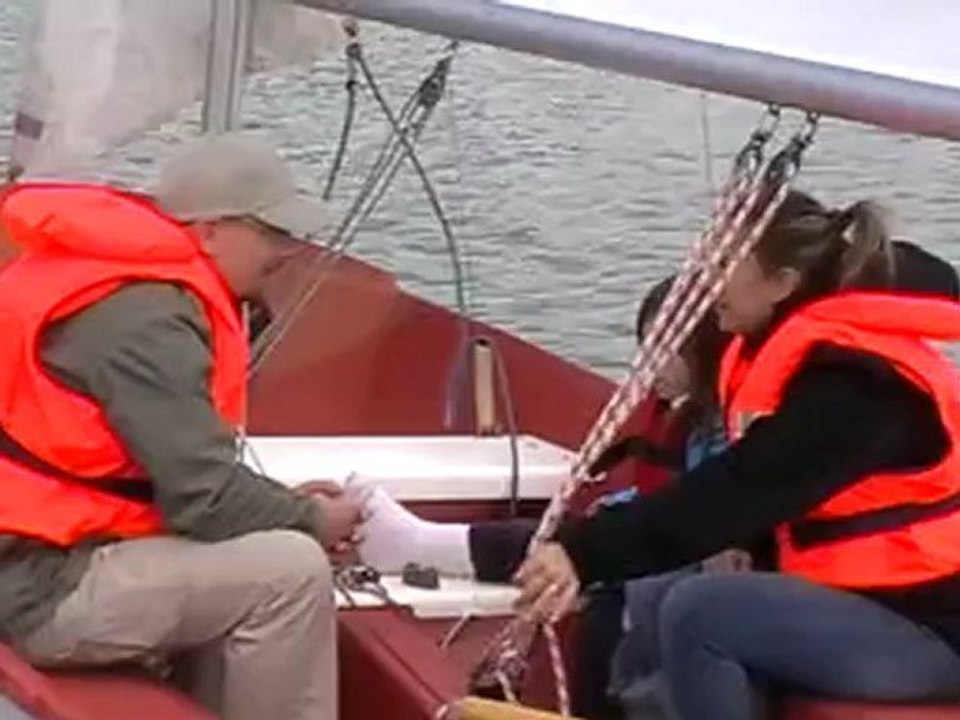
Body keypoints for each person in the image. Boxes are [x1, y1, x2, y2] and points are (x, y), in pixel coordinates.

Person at [515, 190, 960, 720]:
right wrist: (751, 543)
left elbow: (742, 485)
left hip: (929, 631)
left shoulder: (857, 388)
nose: (705, 280)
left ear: (781, 285)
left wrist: (583, 554)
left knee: (701, 613)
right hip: (866, 597)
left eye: (724, 263)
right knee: (661, 590)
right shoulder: (799, 355)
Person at [0, 133, 365, 720]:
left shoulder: (103, 276)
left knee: (262, 545)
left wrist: (278, 505)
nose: (286, 251)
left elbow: (162, 478)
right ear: (211, 231)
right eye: (271, 232)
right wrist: (315, 519)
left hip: (35, 556)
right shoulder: (147, 318)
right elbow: (204, 497)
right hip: (36, 590)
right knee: (292, 572)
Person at [356, 275, 733, 717]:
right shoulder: (689, 420)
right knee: (577, 564)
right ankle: (422, 544)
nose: (648, 368)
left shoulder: (725, 429)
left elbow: (697, 511)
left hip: (682, 558)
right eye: (644, 349)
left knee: (590, 585)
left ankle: (421, 546)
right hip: (655, 539)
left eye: (665, 352)